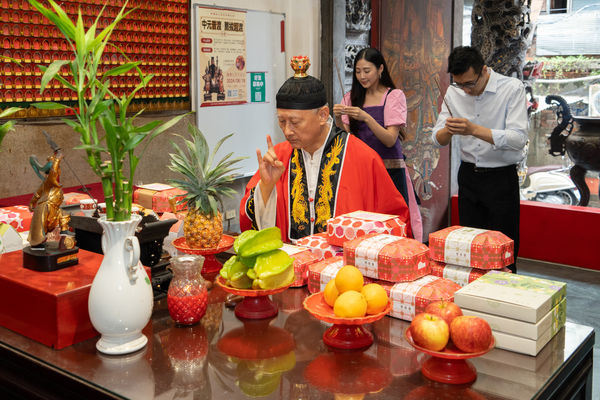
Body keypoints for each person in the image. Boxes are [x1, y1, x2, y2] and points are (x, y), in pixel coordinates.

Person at [240, 56, 411, 242]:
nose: (287, 131)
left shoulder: (362, 157)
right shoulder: (278, 158)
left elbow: (395, 221)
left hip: (344, 269)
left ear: (322, 115)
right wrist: (266, 187)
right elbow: (249, 224)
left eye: (295, 122)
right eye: (281, 121)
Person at [431, 46, 528, 273]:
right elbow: (437, 139)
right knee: (470, 247)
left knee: (504, 249)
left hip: (501, 178)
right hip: (468, 177)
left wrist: (473, 129)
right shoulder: (454, 92)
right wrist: (449, 130)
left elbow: (518, 139)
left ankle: (505, 301)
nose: (465, 90)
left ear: (484, 70)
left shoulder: (511, 88)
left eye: (470, 83)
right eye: (459, 84)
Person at [333, 47, 422, 241]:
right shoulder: (351, 98)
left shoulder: (394, 96)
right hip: (362, 171)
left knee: (393, 225)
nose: (362, 76)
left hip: (390, 171)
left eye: (367, 71)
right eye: (358, 71)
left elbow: (390, 139)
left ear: (380, 69)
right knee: (365, 225)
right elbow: (348, 140)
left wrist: (366, 117)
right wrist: (339, 119)